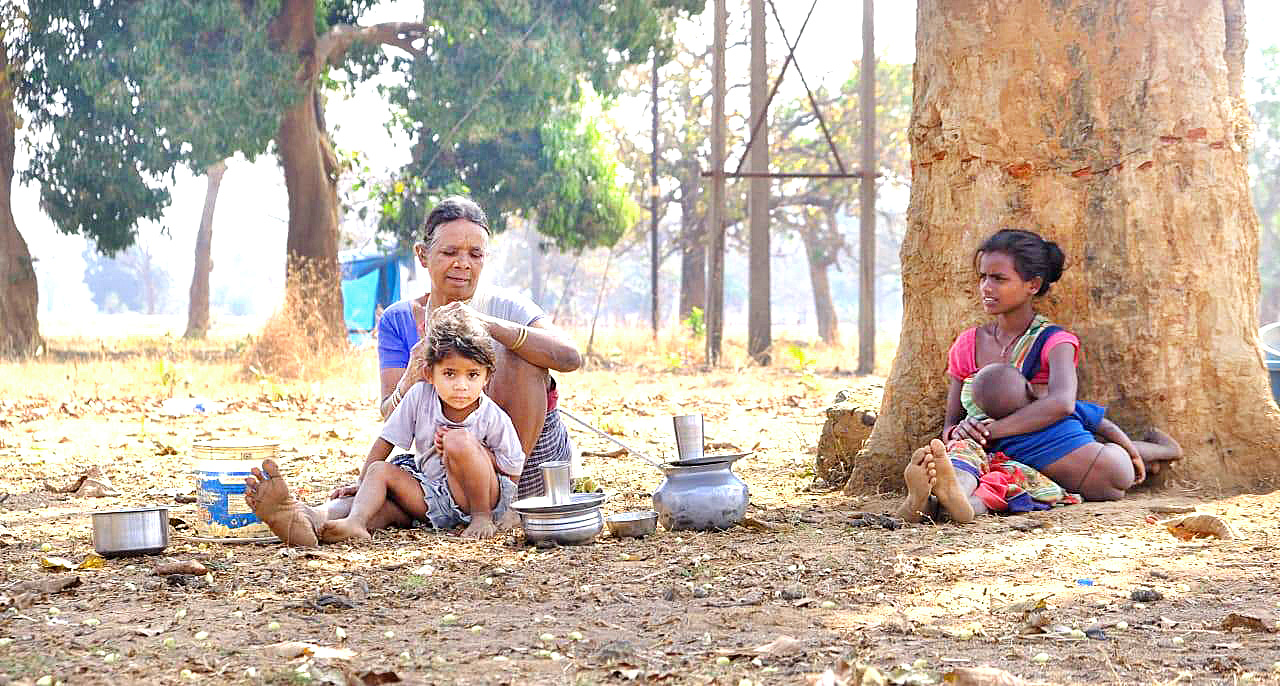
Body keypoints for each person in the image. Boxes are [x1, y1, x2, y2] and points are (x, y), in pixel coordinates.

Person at [897, 229, 1181, 524]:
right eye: (983, 277)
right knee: (965, 457)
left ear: (1032, 285)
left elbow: (1062, 404)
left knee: (1108, 471)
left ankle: (949, 500)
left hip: (1049, 445)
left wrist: (991, 431)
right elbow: (950, 424)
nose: (986, 287)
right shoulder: (968, 344)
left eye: (999, 279)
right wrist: (959, 432)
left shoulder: (1054, 341)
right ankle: (938, 499)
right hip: (984, 451)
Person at [244, 303, 525, 543]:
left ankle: (478, 518)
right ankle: (339, 523)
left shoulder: (491, 416)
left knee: (458, 439)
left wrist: (492, 508)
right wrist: (363, 482)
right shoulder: (419, 396)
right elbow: (385, 442)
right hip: (432, 496)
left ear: (487, 377)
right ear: (429, 373)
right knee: (380, 475)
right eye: (450, 374)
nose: (461, 386)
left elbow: (512, 470)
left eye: (472, 375)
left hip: (479, 501)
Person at [377, 196, 581, 499]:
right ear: (422, 254)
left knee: (522, 356)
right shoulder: (399, 319)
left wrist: (489, 326)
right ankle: (309, 519)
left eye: (475, 254)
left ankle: (506, 501)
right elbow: (389, 415)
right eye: (449, 252)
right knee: (376, 494)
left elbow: (569, 357)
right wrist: (412, 375)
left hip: (523, 468)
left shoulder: (504, 306)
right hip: (444, 464)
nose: (463, 264)